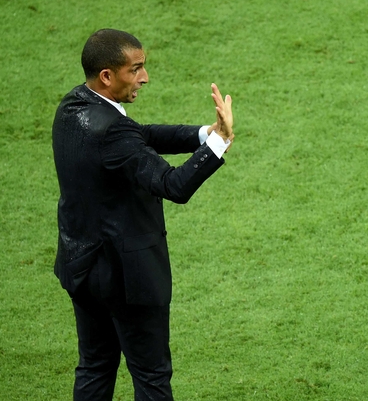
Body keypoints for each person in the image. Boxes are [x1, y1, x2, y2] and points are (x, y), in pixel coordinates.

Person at [51, 28, 234, 400]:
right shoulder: (113, 132)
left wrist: (203, 133)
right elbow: (173, 185)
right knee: (151, 378)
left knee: (94, 367)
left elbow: (139, 134)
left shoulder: (73, 108)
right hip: (127, 279)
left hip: (82, 268)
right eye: (135, 70)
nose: (144, 78)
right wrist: (220, 142)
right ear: (107, 75)